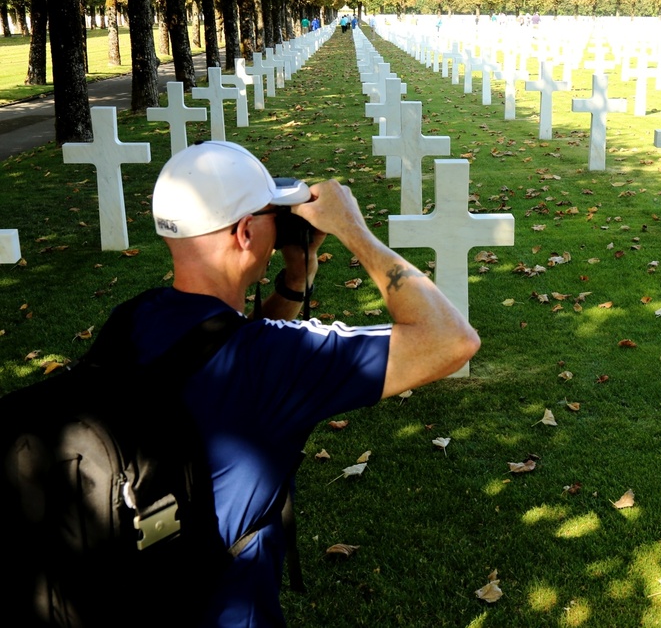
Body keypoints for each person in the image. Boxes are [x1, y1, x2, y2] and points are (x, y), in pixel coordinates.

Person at [140, 141, 480, 627]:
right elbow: (452, 340)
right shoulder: (278, 361)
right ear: (244, 232)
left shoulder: (136, 318)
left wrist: (295, 280)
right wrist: (353, 231)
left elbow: (223, 347)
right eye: (273, 215)